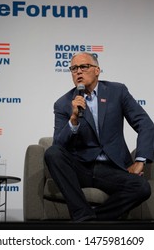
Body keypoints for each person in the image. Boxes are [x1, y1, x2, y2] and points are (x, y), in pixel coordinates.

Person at [44, 52, 154, 222]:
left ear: (97, 70)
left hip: (113, 169)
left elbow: (145, 124)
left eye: (84, 66)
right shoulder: (63, 103)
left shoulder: (117, 91)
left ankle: (88, 220)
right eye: (74, 68)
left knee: (142, 188)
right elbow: (59, 144)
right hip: (81, 167)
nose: (78, 71)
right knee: (52, 153)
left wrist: (140, 161)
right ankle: (85, 217)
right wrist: (73, 120)